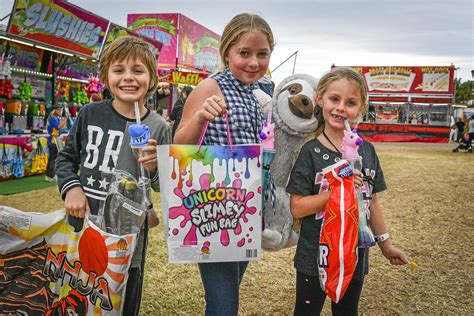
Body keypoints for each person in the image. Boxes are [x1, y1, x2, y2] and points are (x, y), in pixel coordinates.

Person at [55, 36, 171, 315]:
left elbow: (162, 186)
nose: (128, 78)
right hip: (83, 228)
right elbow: (66, 158)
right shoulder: (89, 114)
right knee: (77, 298)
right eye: (119, 70)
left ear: (152, 78)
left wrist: (156, 167)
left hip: (128, 238)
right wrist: (71, 188)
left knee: (121, 303)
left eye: (138, 71)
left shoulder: (158, 127)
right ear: (106, 76)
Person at [174, 13, 275, 315]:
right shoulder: (209, 87)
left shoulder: (258, 92)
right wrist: (201, 116)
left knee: (226, 295)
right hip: (211, 209)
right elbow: (180, 147)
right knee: (224, 305)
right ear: (227, 52)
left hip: (243, 208)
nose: (254, 62)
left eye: (262, 54)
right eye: (244, 53)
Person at [286, 67, 408, 316]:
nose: (341, 107)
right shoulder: (310, 153)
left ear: (361, 109)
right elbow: (297, 206)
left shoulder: (367, 152)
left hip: (354, 254)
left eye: (350, 102)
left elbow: (371, 202)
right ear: (320, 99)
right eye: (334, 99)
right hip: (316, 255)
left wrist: (386, 246)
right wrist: (336, 194)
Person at [44, 104, 68, 181]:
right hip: (53, 140)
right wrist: (65, 119)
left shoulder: (53, 118)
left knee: (52, 158)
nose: (60, 111)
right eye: (59, 109)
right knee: (53, 158)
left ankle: (49, 175)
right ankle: (51, 175)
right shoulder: (53, 118)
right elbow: (58, 127)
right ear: (54, 110)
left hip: (54, 140)